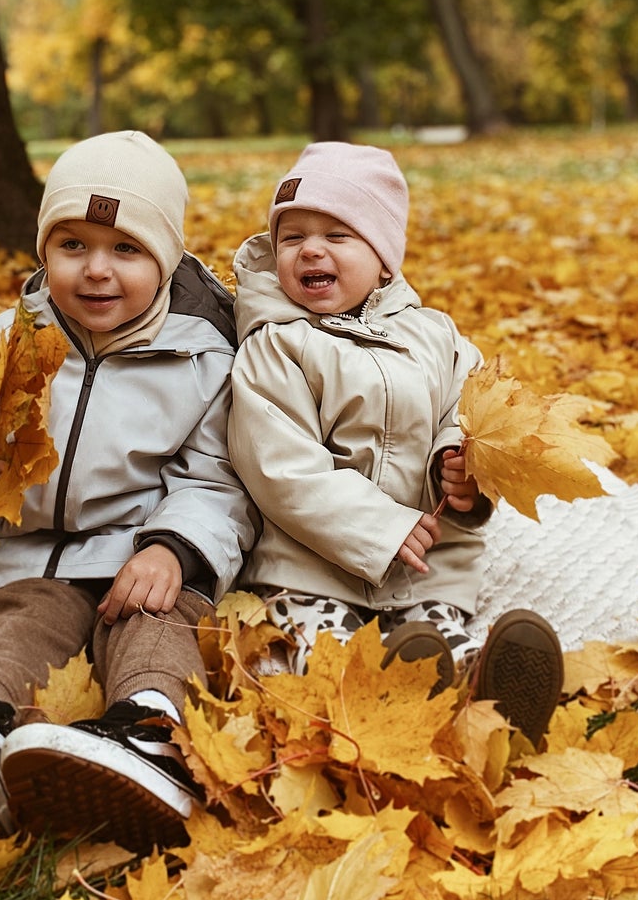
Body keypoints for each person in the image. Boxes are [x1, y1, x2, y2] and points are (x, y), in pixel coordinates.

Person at [0, 131, 255, 851]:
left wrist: (174, 548)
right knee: (10, 622)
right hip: (35, 555)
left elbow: (218, 475)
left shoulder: (204, 356)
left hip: (144, 555)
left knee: (155, 626)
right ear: (43, 249)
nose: (96, 271)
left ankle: (147, 733)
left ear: (166, 258)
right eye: (72, 245)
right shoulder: (5, 343)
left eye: (126, 250)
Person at [227, 141, 565, 744]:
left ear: (384, 260)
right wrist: (378, 528)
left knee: (439, 635)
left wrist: (458, 469)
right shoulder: (275, 345)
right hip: (310, 572)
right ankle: (387, 690)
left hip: (425, 570)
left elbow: (466, 411)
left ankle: (488, 696)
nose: (310, 249)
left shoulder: (436, 336)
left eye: (338, 235)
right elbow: (279, 466)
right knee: (318, 655)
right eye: (292, 237)